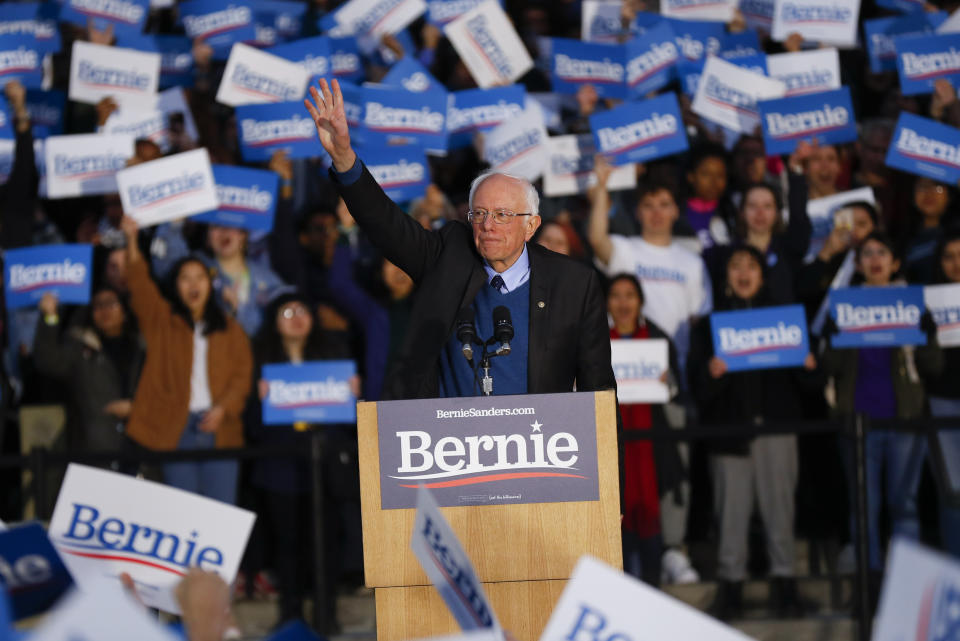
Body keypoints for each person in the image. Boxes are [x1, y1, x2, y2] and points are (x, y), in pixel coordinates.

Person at [303, 78, 616, 399]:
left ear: (531, 226)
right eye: (478, 214)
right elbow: (386, 224)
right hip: (451, 443)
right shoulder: (449, 256)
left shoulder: (573, 285)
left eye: (502, 215)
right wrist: (343, 158)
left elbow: (600, 392)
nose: (488, 225)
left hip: (539, 443)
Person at [688, 245, 822, 620]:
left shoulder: (786, 321)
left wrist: (810, 366)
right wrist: (712, 375)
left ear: (763, 274)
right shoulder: (709, 325)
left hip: (777, 429)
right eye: (736, 266)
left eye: (751, 266)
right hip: (729, 432)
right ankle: (731, 588)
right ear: (725, 275)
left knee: (780, 511)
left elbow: (812, 384)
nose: (744, 273)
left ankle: (786, 585)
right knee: (730, 512)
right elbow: (697, 389)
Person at [821, 232, 942, 603]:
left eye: (882, 252)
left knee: (903, 506)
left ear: (895, 263)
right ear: (857, 265)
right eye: (867, 254)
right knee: (864, 507)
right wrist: (840, 337)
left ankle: (908, 587)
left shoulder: (914, 307)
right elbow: (829, 366)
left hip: (904, 421)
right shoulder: (841, 308)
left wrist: (923, 338)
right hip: (858, 423)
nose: (875, 260)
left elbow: (934, 367)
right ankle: (868, 584)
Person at [121, 215, 253, 504]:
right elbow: (139, 284)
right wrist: (131, 239)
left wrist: (224, 408)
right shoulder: (163, 323)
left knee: (221, 514)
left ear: (210, 283)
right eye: (185, 278)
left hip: (220, 430)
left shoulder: (230, 328)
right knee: (182, 513)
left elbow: (243, 375)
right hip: (175, 429)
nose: (193, 284)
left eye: (200, 277)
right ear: (176, 286)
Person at [249, 291, 360, 625]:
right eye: (287, 312)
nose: (296, 317)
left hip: (324, 468)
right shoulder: (260, 361)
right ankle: (291, 616)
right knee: (287, 544)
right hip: (280, 467)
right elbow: (252, 428)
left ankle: (326, 615)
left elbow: (349, 420)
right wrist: (258, 402)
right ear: (274, 323)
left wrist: (354, 396)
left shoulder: (333, 354)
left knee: (325, 543)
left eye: (303, 310)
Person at [607, 273, 685, 587]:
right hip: (611, 444)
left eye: (630, 295)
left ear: (640, 301)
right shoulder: (596, 338)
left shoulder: (658, 339)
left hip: (651, 447)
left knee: (651, 520)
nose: (623, 303)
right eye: (616, 295)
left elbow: (678, 391)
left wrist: (670, 383)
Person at [33, 287, 145, 458]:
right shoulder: (79, 347)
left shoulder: (144, 348)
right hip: (94, 450)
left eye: (111, 304)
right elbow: (48, 361)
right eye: (98, 305)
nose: (104, 310)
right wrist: (49, 316)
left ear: (125, 312)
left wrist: (138, 409)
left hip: (142, 448)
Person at [926, 228, 960, 558]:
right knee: (953, 493)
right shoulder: (927, 302)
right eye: (948, 257)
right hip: (942, 401)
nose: (956, 264)